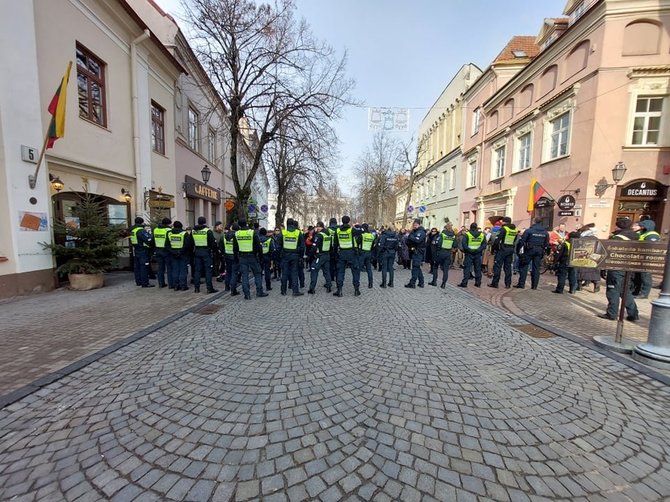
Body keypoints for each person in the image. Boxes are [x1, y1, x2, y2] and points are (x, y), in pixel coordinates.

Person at [598, 217, 639, 321]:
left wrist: (603, 268)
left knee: (613, 291)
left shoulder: (616, 238)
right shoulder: (636, 236)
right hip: (629, 269)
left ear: (618, 226)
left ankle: (612, 314)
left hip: (616, 269)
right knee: (625, 291)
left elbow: (608, 254)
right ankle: (633, 314)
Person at [233, 219, 267, 300]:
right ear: (246, 224)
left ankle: (247, 294)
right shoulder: (252, 232)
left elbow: (235, 248)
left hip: (242, 257)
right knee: (258, 273)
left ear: (239, 225)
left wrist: (236, 258)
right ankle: (259, 292)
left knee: (244, 276)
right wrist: (260, 257)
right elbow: (259, 246)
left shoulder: (236, 234)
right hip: (252, 256)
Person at [515, 217, 549, 290]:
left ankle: (521, 284)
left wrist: (519, 251)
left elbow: (521, 241)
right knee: (536, 268)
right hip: (539, 251)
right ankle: (534, 286)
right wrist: (545, 252)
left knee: (524, 266)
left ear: (534, 221)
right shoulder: (545, 232)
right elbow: (547, 244)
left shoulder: (529, 231)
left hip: (529, 250)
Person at [333, 215, 362, 297]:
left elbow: (335, 244)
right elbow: (361, 232)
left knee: (340, 272)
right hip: (352, 253)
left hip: (342, 253)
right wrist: (357, 226)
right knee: (355, 271)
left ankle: (339, 290)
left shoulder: (338, 230)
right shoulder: (351, 230)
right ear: (349, 221)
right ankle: (356, 290)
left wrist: (336, 254)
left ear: (342, 221)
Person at [632, 218, 661, 299]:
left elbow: (650, 248)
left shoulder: (652, 234)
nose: (641, 226)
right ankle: (636, 291)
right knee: (638, 276)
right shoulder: (643, 233)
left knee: (645, 276)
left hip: (647, 259)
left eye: (643, 225)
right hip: (640, 258)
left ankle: (644, 293)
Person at [488, 217, 518, 289]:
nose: (501, 223)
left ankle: (495, 283)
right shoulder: (515, 230)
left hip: (502, 250)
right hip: (510, 249)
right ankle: (508, 284)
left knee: (497, 266)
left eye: (502, 222)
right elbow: (515, 240)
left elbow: (497, 240)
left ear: (504, 222)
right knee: (507, 267)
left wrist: (493, 250)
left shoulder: (503, 229)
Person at [191, 216, 218, 294]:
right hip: (206, 252)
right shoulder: (207, 231)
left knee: (197, 271)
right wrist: (215, 251)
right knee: (208, 271)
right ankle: (209, 288)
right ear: (205, 222)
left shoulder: (193, 231)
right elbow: (213, 243)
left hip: (197, 252)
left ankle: (196, 288)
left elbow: (191, 242)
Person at [278, 218, 304, 296]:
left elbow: (279, 246)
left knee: (284, 273)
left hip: (285, 255)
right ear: (293, 224)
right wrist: (301, 256)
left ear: (287, 224)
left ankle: (283, 291)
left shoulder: (283, 233)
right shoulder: (298, 233)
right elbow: (302, 247)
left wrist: (280, 255)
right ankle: (295, 291)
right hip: (295, 256)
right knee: (294, 273)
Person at [307, 221, 333, 294]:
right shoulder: (328, 234)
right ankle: (329, 286)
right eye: (317, 227)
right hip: (327, 255)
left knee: (314, 270)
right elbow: (331, 246)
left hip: (319, 256)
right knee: (326, 271)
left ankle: (312, 288)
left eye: (318, 227)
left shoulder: (319, 235)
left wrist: (309, 255)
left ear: (321, 227)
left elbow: (314, 246)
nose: (317, 228)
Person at [458, 223, 486, 288]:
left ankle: (464, 283)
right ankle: (478, 283)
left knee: (467, 268)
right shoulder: (482, 235)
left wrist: (470, 250)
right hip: (478, 254)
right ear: (476, 227)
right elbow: (484, 245)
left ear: (470, 227)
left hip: (469, 254)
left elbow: (464, 244)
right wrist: (478, 250)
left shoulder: (467, 234)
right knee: (478, 269)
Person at [166, 220, 191, 291]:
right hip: (182, 254)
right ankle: (183, 286)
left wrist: (173, 252)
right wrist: (180, 252)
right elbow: (187, 245)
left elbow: (167, 245)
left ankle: (176, 286)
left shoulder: (169, 233)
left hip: (173, 254)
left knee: (175, 270)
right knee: (183, 270)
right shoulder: (184, 234)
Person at [130, 216, 154, 288]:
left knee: (137, 267)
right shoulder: (141, 231)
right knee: (144, 267)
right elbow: (149, 239)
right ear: (142, 222)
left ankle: (138, 281)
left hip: (136, 250)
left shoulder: (132, 230)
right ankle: (145, 283)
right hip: (143, 251)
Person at [576, 223, 601, 293]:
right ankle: (596, 284)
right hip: (594, 258)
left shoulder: (581, 238)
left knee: (580, 272)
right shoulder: (596, 239)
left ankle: (579, 286)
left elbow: (578, 248)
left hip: (583, 257)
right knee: (594, 272)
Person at [429, 223, 455, 288]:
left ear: (445, 228)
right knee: (445, 269)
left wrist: (437, 251)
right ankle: (443, 284)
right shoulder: (453, 236)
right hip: (448, 253)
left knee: (435, 267)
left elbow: (438, 244)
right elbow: (455, 245)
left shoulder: (442, 235)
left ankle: (434, 282)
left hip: (440, 253)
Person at [405, 218, 427, 288]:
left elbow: (417, 240)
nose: (415, 226)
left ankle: (412, 283)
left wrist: (411, 237)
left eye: (416, 225)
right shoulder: (414, 231)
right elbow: (408, 241)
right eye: (414, 225)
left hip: (418, 251)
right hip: (414, 251)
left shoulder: (421, 232)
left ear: (419, 225)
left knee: (415, 267)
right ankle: (421, 282)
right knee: (417, 267)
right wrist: (411, 238)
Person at [153, 217, 173, 289]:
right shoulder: (169, 230)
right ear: (168, 224)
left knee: (160, 268)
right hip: (167, 251)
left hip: (158, 250)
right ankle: (171, 284)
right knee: (169, 268)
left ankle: (161, 283)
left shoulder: (156, 230)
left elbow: (153, 240)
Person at [222, 225, 239, 295]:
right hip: (234, 256)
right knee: (234, 273)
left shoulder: (225, 236)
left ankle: (226, 287)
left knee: (228, 272)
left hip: (227, 255)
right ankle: (233, 290)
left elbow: (221, 245)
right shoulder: (237, 236)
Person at [358, 223, 376, 289]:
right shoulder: (371, 236)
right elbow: (373, 245)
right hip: (369, 253)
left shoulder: (362, 235)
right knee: (369, 269)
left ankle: (357, 283)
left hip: (362, 253)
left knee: (358, 269)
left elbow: (357, 243)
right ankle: (370, 283)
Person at [259, 228, 274, 292]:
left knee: (259, 273)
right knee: (267, 272)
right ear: (265, 233)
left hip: (259, 257)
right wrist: (271, 259)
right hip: (267, 257)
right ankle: (268, 286)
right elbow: (271, 250)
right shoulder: (269, 240)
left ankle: (259, 287)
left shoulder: (257, 239)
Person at [327, 217, 339, 282]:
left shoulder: (327, 229)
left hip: (329, 248)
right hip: (337, 249)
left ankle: (331, 277)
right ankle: (337, 277)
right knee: (337, 264)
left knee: (330, 264)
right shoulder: (338, 229)